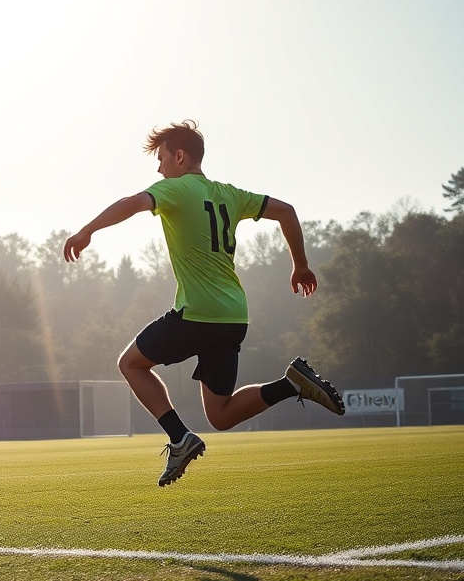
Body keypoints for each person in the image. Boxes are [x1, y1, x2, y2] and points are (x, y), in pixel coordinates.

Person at [63, 120, 344, 487]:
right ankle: (292, 385)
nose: (158, 168)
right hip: (233, 315)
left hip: (198, 312)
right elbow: (287, 211)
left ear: (179, 156)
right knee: (221, 415)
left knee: (130, 363)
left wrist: (87, 231)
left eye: (161, 158)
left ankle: (179, 438)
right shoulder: (229, 194)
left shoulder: (175, 189)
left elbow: (132, 203)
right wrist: (301, 265)